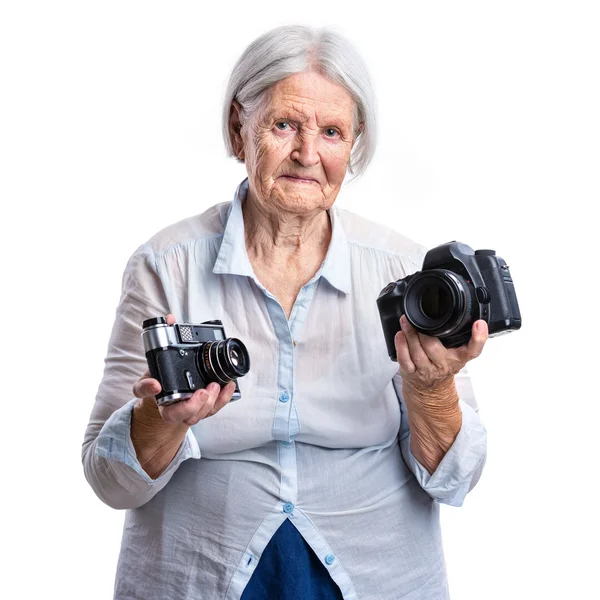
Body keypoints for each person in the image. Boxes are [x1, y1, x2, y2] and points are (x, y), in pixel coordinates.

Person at [82, 24, 488, 600]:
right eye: (284, 125)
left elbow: (457, 480)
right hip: (197, 581)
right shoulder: (165, 266)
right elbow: (109, 480)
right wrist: (161, 421)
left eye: (331, 131)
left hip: (375, 581)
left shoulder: (405, 274)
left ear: (354, 144)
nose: (307, 153)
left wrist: (431, 392)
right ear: (237, 127)